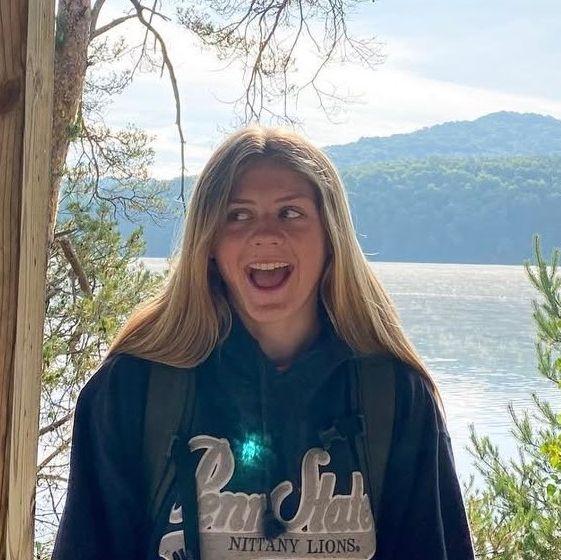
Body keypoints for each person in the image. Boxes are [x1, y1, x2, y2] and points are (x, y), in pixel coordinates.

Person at [52, 126, 475, 560]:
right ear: (209, 242)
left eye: (291, 213)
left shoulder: (394, 397)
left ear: (331, 238)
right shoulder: (134, 391)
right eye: (238, 215)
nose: (266, 234)